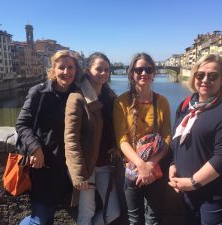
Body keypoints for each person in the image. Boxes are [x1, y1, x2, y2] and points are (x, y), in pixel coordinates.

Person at [168, 54, 222, 225]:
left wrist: (193, 183)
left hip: (213, 194)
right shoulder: (186, 104)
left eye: (213, 76)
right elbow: (176, 141)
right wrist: (172, 163)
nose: (205, 80)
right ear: (194, 77)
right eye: (200, 75)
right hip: (187, 191)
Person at [17, 50, 81, 225]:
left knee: (47, 216)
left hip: (66, 169)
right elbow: (22, 124)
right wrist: (35, 148)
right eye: (61, 67)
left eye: (70, 67)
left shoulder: (80, 95)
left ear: (76, 71)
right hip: (43, 166)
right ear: (53, 69)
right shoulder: (38, 93)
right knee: (41, 219)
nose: (66, 72)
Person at [113, 52, 171, 224]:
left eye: (148, 69)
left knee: (153, 219)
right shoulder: (121, 102)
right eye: (139, 70)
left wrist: (151, 164)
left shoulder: (162, 102)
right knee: (134, 219)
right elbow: (121, 139)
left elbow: (167, 137)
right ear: (132, 74)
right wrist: (141, 165)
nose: (143, 73)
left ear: (154, 74)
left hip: (156, 167)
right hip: (132, 168)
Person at [64, 52, 121, 225]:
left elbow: (116, 128)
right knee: (86, 212)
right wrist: (78, 174)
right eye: (99, 69)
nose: (104, 73)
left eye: (107, 70)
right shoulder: (77, 97)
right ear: (88, 70)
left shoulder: (111, 97)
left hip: (104, 164)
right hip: (86, 165)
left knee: (113, 212)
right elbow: (71, 138)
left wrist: (117, 145)